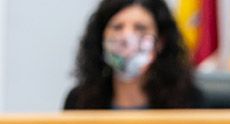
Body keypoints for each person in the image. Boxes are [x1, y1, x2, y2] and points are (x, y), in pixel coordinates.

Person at [64, 0, 202, 109]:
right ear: (101, 38)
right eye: (117, 27)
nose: (127, 37)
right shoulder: (79, 100)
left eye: (140, 28)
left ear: (160, 42)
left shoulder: (188, 100)